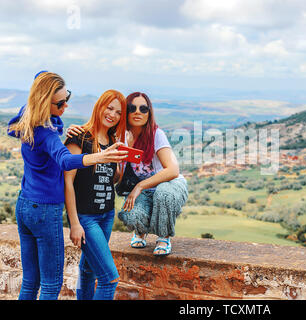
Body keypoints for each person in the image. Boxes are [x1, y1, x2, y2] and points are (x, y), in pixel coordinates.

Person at [7, 71, 128, 300]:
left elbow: (39, 76)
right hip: (44, 209)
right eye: (61, 103)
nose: (66, 106)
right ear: (44, 102)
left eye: (67, 98)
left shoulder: (28, 119)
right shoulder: (48, 133)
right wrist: (97, 157)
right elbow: (64, 161)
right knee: (51, 285)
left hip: (24, 205)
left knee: (31, 282)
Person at [66, 92, 188, 256]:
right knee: (130, 215)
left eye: (143, 108)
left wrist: (139, 186)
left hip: (168, 185)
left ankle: (163, 237)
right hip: (144, 192)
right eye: (132, 108)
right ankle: (140, 231)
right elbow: (115, 178)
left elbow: (173, 170)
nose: (138, 112)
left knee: (163, 194)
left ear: (149, 113)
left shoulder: (156, 134)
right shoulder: (119, 135)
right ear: (126, 113)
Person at [64, 89, 127, 300]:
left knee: (88, 270)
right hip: (86, 218)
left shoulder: (111, 140)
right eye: (109, 108)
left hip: (106, 214)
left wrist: (119, 164)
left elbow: (111, 178)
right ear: (99, 106)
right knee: (109, 279)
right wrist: (74, 223)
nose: (113, 114)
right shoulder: (79, 137)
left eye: (118, 112)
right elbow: (68, 182)